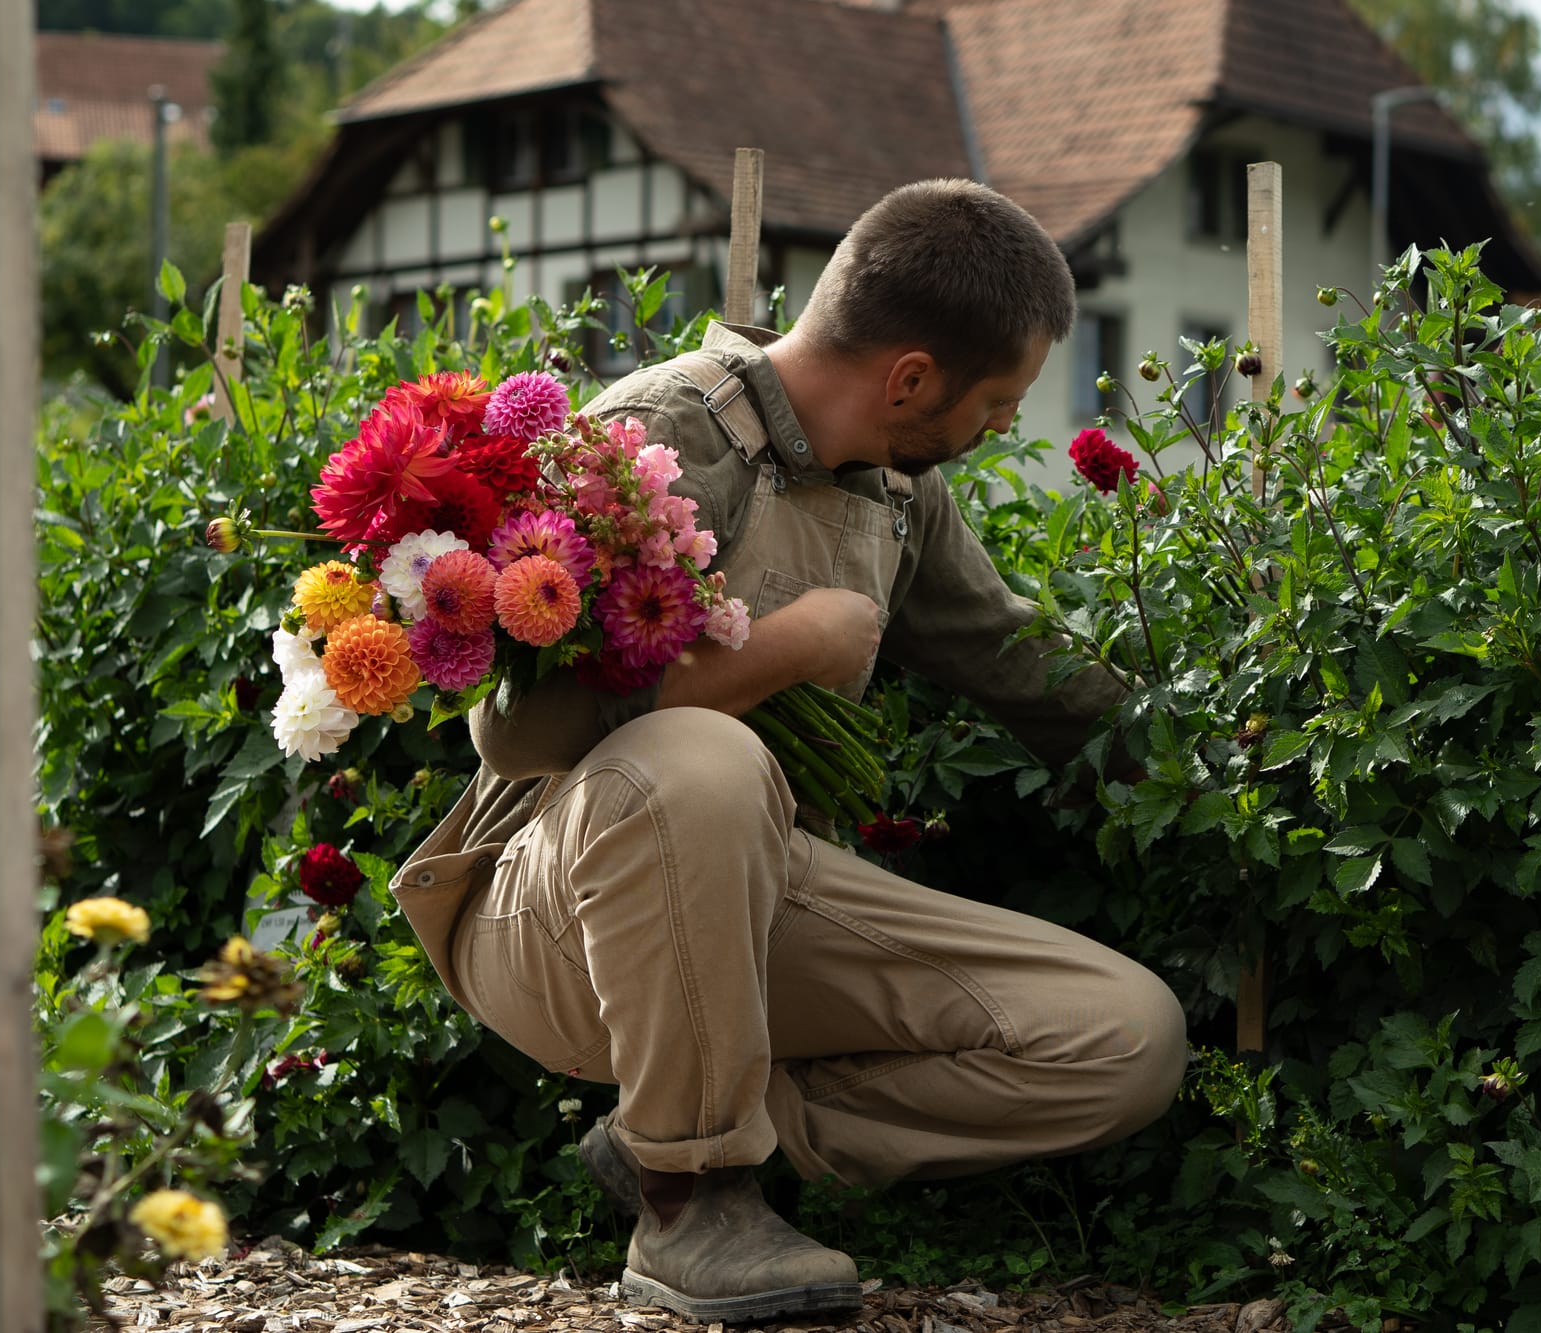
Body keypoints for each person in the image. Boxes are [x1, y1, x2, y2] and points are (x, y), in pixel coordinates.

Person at [391, 179, 1188, 1324]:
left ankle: (698, 1121)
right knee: (704, 763)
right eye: (1000, 401)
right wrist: (784, 645)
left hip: (756, 902)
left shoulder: (900, 491)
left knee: (1122, 1038)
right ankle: (690, 1197)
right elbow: (515, 731)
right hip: (555, 912)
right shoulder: (654, 434)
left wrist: (1200, 771)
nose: (1004, 427)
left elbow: (1015, 662)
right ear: (910, 378)